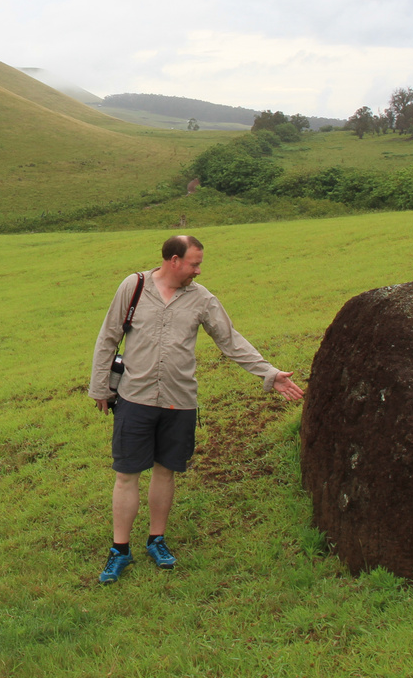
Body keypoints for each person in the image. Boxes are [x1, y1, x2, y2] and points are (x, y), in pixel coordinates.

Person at [87, 234, 304, 583]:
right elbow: (108, 337)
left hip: (179, 400)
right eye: (194, 264)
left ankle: (156, 540)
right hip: (134, 399)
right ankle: (119, 550)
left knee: (165, 471)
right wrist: (100, 387)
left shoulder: (202, 299)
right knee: (126, 475)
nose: (198, 271)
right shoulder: (135, 286)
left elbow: (230, 341)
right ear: (174, 260)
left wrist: (270, 374)